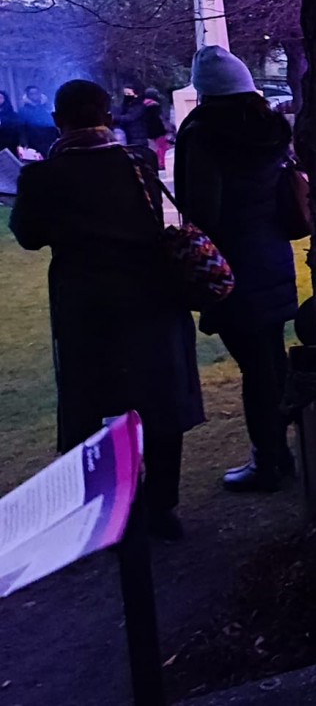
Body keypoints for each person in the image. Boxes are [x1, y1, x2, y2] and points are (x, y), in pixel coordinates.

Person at [9, 80, 204, 538]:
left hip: (86, 305)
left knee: (94, 403)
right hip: (151, 294)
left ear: (59, 122)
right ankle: (162, 506)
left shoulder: (43, 177)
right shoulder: (136, 163)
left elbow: (30, 236)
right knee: (158, 399)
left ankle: (109, 509)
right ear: (109, 117)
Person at [174, 46, 300, 492]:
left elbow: (204, 209)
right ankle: (283, 452)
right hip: (272, 256)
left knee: (257, 367)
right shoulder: (270, 129)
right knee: (270, 361)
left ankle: (269, 459)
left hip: (230, 266)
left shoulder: (205, 134)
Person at [18, 85, 57, 156]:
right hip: (33, 141)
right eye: (31, 94)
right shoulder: (23, 110)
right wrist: (24, 142)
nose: (34, 95)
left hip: (50, 139)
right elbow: (22, 128)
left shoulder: (48, 107)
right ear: (28, 95)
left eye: (36, 93)